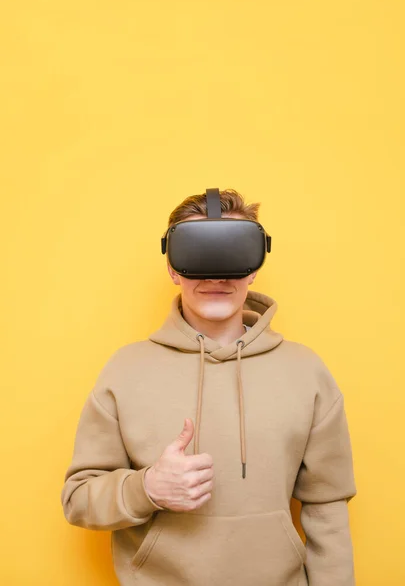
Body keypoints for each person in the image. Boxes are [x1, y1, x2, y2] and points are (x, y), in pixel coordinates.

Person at [61, 189, 357, 586]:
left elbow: (328, 508)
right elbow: (78, 500)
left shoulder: (306, 371)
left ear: (254, 268)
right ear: (173, 268)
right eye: (200, 257)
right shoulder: (125, 370)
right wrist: (146, 488)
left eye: (232, 256)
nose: (217, 276)